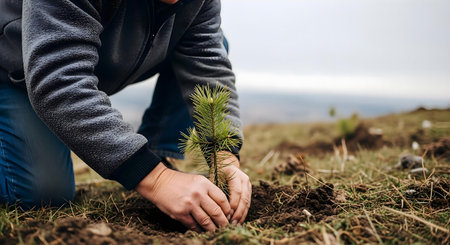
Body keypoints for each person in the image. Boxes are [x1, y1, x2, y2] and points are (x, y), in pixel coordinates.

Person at [0, 0, 251, 232]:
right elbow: (60, 78)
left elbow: (206, 60)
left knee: (214, 41)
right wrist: (156, 180)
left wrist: (224, 154)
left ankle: (156, 154)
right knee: (41, 196)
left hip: (79, 62)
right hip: (13, 69)